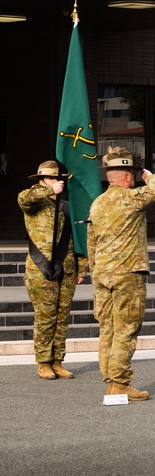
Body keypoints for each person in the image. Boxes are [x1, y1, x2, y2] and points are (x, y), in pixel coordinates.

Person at [88, 147, 155, 401]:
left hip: (102, 273)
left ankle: (111, 380)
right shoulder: (131, 198)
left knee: (107, 328)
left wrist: (95, 270)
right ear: (126, 177)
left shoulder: (97, 203)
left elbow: (91, 242)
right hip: (128, 273)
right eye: (132, 174)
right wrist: (149, 176)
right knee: (126, 329)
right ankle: (120, 382)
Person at [18, 160, 87, 380]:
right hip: (41, 268)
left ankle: (58, 361)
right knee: (45, 317)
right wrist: (48, 191)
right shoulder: (35, 202)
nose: (58, 183)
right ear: (41, 180)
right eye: (52, 179)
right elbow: (24, 199)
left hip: (66, 268)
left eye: (59, 180)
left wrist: (81, 268)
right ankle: (43, 362)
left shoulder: (66, 206)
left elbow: (77, 240)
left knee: (61, 317)